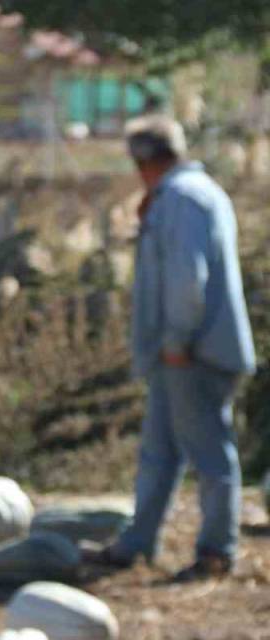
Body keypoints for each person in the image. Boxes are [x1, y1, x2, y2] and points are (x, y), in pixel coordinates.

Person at [88, 116, 256, 581]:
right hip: (178, 353)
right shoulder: (187, 195)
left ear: (144, 162)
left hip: (193, 353)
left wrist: (178, 340)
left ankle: (217, 552)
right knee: (159, 453)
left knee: (209, 454)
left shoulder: (183, 199)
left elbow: (188, 279)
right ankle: (137, 543)